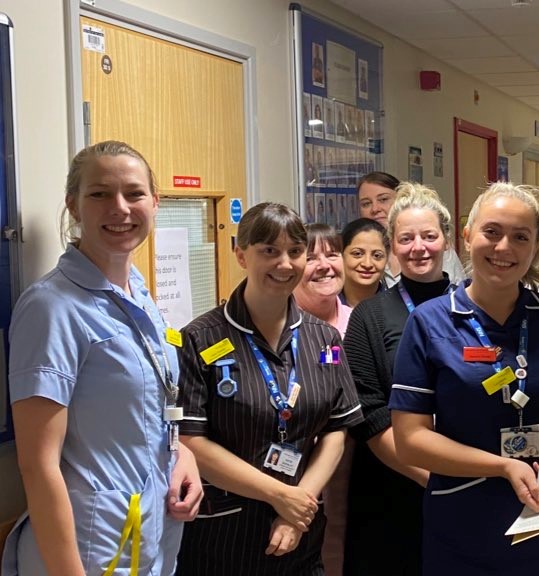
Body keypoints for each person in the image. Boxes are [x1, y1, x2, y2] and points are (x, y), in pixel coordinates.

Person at [389, 182, 539, 575]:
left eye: (521, 237)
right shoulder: (429, 323)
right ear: (466, 236)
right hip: (470, 524)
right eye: (491, 232)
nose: (504, 247)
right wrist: (502, 466)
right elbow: (410, 441)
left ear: (536, 247)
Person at [2, 141, 203, 575]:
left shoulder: (137, 292)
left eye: (134, 193)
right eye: (99, 194)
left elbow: (147, 409)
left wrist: (182, 458)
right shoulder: (52, 307)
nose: (120, 208)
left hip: (149, 534)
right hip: (85, 549)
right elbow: (37, 465)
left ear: (155, 202)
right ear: (73, 205)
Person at [176, 202, 363, 575]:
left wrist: (298, 507)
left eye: (295, 251)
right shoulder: (198, 339)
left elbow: (336, 431)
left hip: (300, 537)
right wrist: (280, 495)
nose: (285, 263)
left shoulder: (324, 339)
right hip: (223, 537)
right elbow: (191, 441)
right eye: (269, 251)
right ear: (241, 255)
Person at [343, 182, 456, 575]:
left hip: (467, 483)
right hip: (391, 489)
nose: (418, 247)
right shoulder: (370, 316)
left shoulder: (472, 307)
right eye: (406, 238)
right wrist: (436, 478)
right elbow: (369, 413)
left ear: (447, 240)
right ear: (392, 244)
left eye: (429, 236)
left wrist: (461, 479)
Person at [291, 223, 356, 573]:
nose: (324, 265)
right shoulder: (279, 323)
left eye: (332, 254)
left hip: (353, 461)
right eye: (311, 257)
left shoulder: (359, 322)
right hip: (292, 462)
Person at [357, 171, 466, 287]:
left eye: (383, 199)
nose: (375, 209)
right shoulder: (357, 253)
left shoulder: (437, 249)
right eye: (366, 203)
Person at [339, 217, 388, 309]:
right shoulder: (324, 306)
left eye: (377, 255)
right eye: (357, 254)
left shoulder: (399, 307)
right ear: (341, 254)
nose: (367, 264)